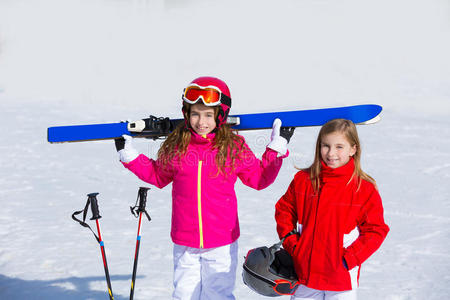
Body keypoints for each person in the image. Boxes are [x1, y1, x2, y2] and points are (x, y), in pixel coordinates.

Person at [115, 76, 295, 300]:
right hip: (185, 241)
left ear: (220, 115)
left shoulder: (232, 147)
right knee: (184, 294)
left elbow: (259, 179)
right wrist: (130, 157)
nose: (201, 121)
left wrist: (275, 150)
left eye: (208, 114)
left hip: (221, 241)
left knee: (217, 294)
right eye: (195, 113)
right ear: (186, 114)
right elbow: (158, 175)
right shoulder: (177, 146)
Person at [274, 118, 389, 300]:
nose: (331, 153)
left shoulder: (363, 188)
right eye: (325, 145)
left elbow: (376, 230)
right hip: (305, 274)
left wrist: (349, 259)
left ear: (353, 149)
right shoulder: (304, 180)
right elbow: (284, 209)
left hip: (340, 277)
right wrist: (292, 242)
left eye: (339, 147)